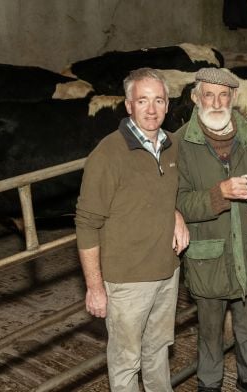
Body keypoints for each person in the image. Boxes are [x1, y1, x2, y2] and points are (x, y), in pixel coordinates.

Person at [75, 67, 189, 392]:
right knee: (127, 362)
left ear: (168, 105)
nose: (151, 109)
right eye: (142, 101)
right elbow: (86, 223)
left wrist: (176, 212)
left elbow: (164, 192)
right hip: (126, 282)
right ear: (128, 105)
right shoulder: (108, 155)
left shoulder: (170, 145)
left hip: (167, 272)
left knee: (157, 352)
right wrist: (95, 287)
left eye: (158, 100)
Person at [176, 68, 247, 392]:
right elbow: (179, 202)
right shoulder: (180, 143)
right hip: (209, 254)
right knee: (210, 327)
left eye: (223, 95)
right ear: (195, 97)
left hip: (246, 248)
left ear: (233, 98)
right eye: (208, 94)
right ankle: (209, 383)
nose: (216, 102)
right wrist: (220, 194)